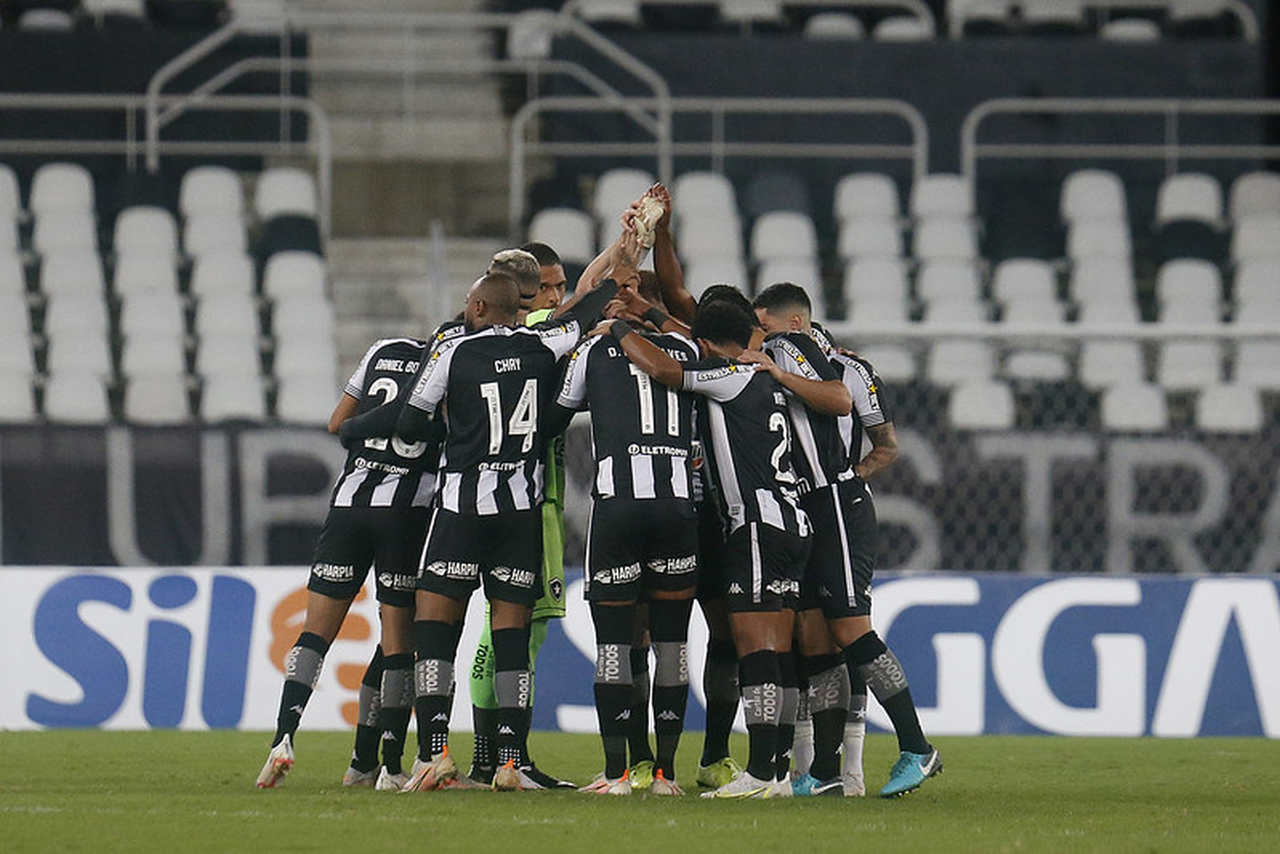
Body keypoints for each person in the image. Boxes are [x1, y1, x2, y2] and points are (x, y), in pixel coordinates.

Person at [340, 270, 620, 791]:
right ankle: (510, 761)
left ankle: (434, 754)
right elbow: (579, 319)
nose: (467, 310)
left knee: (435, 632)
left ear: (484, 308)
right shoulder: (542, 345)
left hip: (461, 512)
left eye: (471, 303)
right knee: (511, 641)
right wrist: (611, 283)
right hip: (519, 514)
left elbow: (408, 419)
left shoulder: (455, 352)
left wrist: (355, 428)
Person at [606, 299, 811, 799]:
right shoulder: (768, 377)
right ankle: (776, 769)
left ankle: (762, 773)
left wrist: (616, 328)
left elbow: (663, 368)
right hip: (792, 520)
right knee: (775, 651)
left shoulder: (728, 374)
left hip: (755, 524)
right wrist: (655, 317)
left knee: (756, 647)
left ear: (705, 343)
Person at [752, 283, 941, 799]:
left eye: (764, 325)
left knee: (852, 631)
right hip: (808, 506)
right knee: (816, 642)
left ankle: (917, 746)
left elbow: (885, 444)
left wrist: (848, 480)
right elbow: (888, 445)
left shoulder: (840, 369)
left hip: (835, 504)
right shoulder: (836, 364)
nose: (761, 337)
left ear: (793, 323)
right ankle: (827, 770)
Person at [255, 335, 437, 791]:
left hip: (348, 508)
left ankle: (283, 739)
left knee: (314, 634)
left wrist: (362, 431)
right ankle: (390, 767)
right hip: (405, 513)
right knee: (399, 641)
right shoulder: (454, 363)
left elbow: (339, 422)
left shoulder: (382, 349)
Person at [546, 271, 700, 797]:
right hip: (678, 507)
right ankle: (666, 775)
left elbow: (553, 418)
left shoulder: (591, 353)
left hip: (619, 508)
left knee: (614, 646)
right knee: (673, 646)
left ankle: (615, 774)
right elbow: (689, 338)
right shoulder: (682, 346)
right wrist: (649, 313)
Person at [463, 243, 575, 789]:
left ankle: (496, 758)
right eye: (550, 287)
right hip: (526, 502)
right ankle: (501, 759)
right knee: (511, 636)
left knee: (509, 634)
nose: (556, 298)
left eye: (561, 288)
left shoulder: (511, 338)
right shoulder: (533, 334)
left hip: (526, 498)